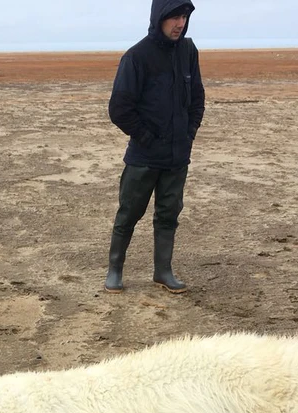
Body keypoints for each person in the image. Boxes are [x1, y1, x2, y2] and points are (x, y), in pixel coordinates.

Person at [104, 0, 205, 294]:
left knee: (168, 215)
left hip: (177, 157)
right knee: (129, 213)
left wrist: (189, 134)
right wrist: (146, 138)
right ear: (158, 17)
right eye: (174, 17)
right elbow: (119, 108)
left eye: (184, 17)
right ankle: (114, 271)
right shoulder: (137, 57)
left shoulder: (188, 51)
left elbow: (197, 98)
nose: (179, 24)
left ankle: (163, 271)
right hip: (144, 158)